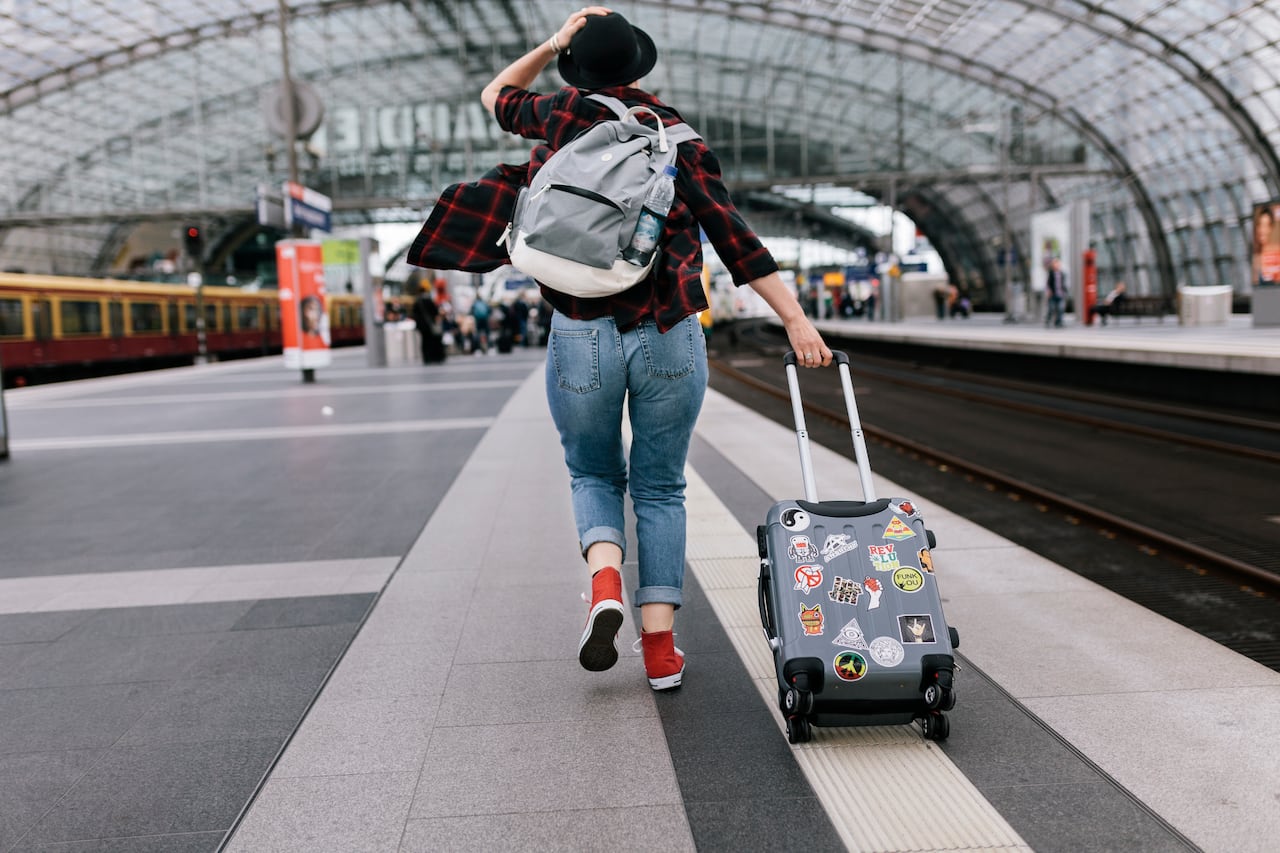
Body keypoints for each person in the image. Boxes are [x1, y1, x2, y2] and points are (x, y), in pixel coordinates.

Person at [400, 7, 830, 692]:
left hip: (580, 329)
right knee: (660, 487)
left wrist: (553, 41)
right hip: (668, 332)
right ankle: (659, 651)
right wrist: (797, 322)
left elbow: (495, 93)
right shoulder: (677, 136)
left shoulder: (560, 114)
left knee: (593, 474)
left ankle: (604, 581)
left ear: (577, 68)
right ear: (636, 66)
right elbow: (735, 237)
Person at [412, 289, 446, 363]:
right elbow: (435, 312)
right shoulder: (429, 301)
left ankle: (426, 358)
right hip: (429, 325)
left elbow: (414, 314)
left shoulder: (417, 302)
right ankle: (433, 357)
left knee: (424, 342)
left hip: (421, 326)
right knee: (431, 341)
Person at [1044, 257, 1066, 327]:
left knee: (1060, 308)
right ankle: (1048, 320)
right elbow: (1048, 283)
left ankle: (1058, 322)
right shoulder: (1051, 273)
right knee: (1051, 308)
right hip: (1053, 294)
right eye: (1055, 264)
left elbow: (1063, 284)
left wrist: (1064, 291)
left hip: (1060, 294)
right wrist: (1048, 291)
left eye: (1058, 264)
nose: (1057, 265)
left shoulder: (1062, 273)